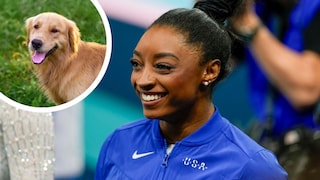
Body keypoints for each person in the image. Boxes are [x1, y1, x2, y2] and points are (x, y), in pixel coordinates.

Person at [95, 0, 288, 179]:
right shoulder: (118, 141)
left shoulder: (253, 166)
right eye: (137, 64)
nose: (143, 80)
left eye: (163, 66)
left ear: (210, 71)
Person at [230, 0, 320, 178]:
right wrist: (207, 21)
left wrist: (248, 23)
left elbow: (306, 92)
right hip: (276, 145)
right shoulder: (260, 9)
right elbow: (208, 71)